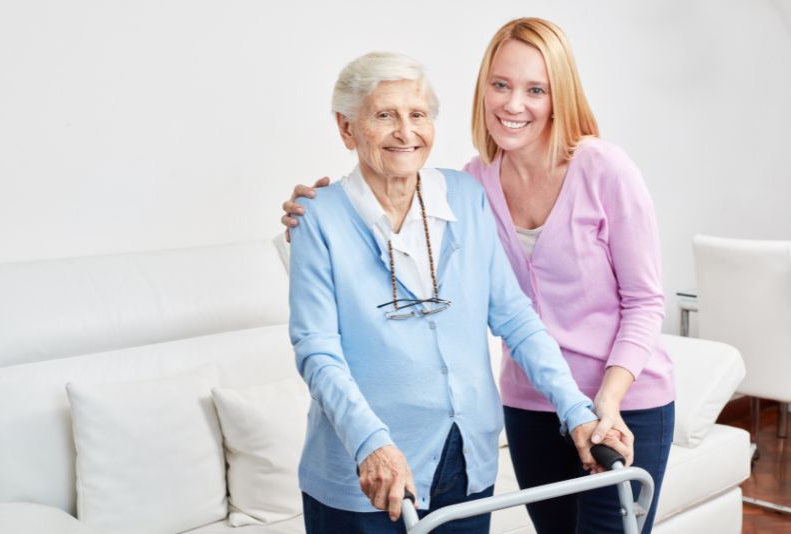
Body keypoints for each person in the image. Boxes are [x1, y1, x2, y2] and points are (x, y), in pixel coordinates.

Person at [283, 18, 674, 534]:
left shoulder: (471, 195)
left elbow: (516, 315)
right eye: (384, 115)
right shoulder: (467, 184)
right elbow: (317, 350)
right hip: (374, 469)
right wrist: (370, 441)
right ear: (347, 128)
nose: (405, 131)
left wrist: (581, 410)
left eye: (418, 114)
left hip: (508, 444)